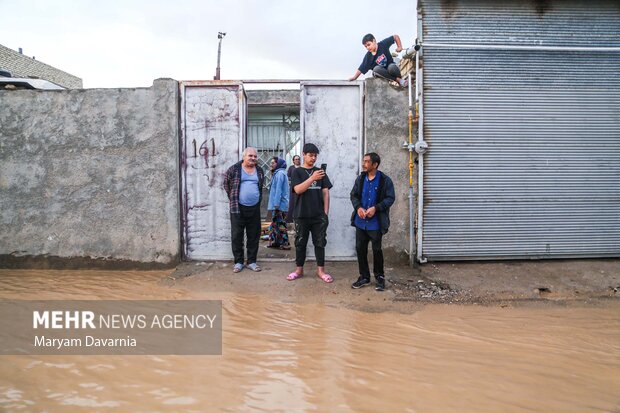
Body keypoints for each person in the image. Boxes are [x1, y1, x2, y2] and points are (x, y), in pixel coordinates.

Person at [287, 143, 334, 283]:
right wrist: (312, 178)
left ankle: (321, 271)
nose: (313, 158)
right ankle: (299, 270)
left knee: (320, 243)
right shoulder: (297, 172)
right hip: (301, 214)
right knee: (300, 243)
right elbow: (298, 190)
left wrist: (325, 213)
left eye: (315, 156)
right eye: (310, 155)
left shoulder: (320, 171)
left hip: (318, 215)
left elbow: (326, 193)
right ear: (303, 154)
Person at [350, 152, 395, 291]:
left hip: (375, 223)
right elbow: (353, 195)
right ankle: (364, 277)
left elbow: (390, 198)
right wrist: (358, 208)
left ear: (375, 164)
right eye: (364, 161)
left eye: (367, 162)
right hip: (360, 222)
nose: (364, 164)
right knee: (360, 249)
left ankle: (379, 277)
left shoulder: (385, 180)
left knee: (376, 250)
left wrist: (376, 208)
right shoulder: (361, 179)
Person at [223, 147, 264, 273]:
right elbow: (226, 184)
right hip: (238, 207)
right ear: (244, 157)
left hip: (254, 208)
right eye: (250, 156)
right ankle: (239, 262)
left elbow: (260, 186)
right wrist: (234, 197)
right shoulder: (234, 169)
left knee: (254, 235)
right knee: (237, 235)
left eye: (255, 156)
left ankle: (251, 261)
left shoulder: (259, 170)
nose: (253, 158)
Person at [267, 156, 290, 249]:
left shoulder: (280, 174)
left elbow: (278, 190)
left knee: (280, 224)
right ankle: (275, 242)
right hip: (277, 205)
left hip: (280, 205)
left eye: (273, 163)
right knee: (274, 224)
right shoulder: (277, 173)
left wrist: (276, 204)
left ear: (278, 164)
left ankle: (285, 244)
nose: (271, 164)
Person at [286, 155, 301, 223]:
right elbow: (288, 177)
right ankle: (289, 219)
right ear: (293, 161)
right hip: (293, 187)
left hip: (301, 187)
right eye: (296, 159)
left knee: (300, 202)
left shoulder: (302, 168)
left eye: (298, 159)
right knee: (292, 202)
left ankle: (298, 218)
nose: (297, 160)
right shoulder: (291, 168)